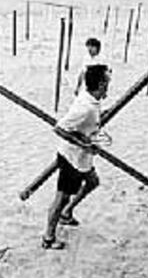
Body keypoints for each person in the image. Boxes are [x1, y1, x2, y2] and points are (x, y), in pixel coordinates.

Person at [42, 64, 111, 249]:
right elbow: (59, 128)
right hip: (72, 159)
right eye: (107, 80)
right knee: (61, 198)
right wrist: (83, 144)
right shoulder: (85, 108)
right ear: (102, 84)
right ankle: (48, 237)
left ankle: (67, 212)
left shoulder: (91, 98)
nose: (109, 83)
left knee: (93, 182)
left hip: (83, 159)